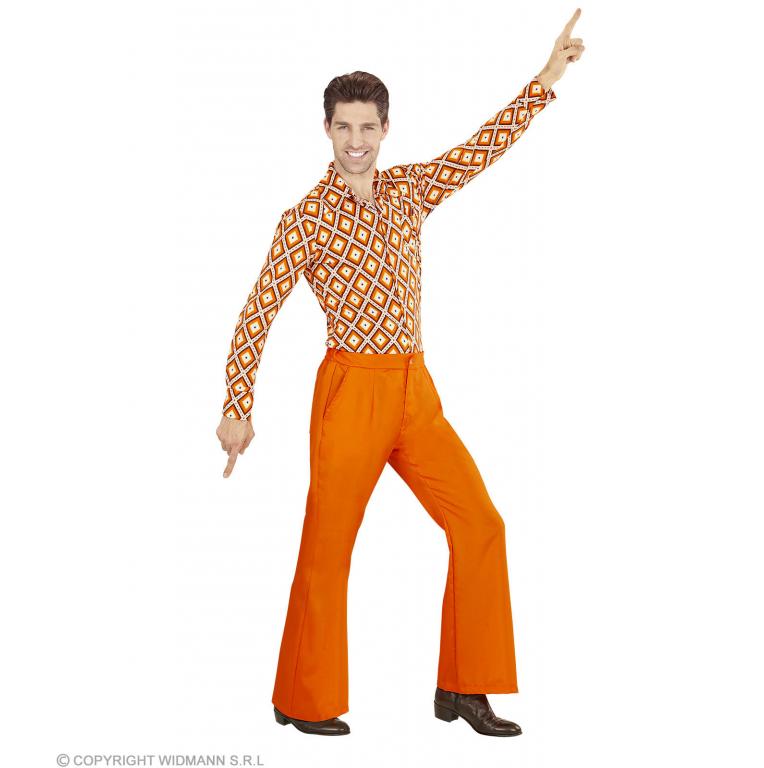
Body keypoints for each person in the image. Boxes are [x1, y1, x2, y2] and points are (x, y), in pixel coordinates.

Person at [217, 8, 586, 737]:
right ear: (327, 129)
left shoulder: (410, 189)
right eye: (343, 127)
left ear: (386, 129)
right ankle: (301, 697)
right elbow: (257, 311)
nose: (356, 140)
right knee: (327, 549)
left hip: (416, 392)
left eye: (368, 126)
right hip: (350, 393)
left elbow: (479, 150)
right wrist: (237, 406)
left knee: (480, 524)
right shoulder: (304, 219)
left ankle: (464, 688)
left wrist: (546, 77)